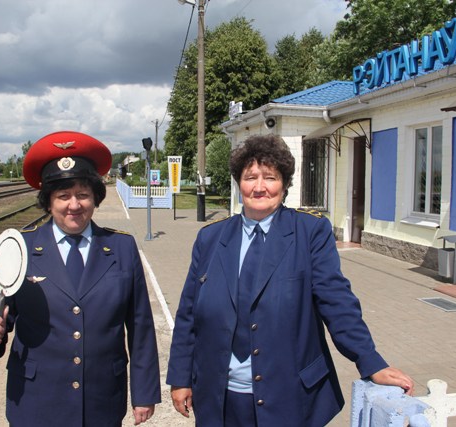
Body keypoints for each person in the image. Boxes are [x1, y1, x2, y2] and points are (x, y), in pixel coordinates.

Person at [166, 134, 414, 426]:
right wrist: (180, 378)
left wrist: (369, 360)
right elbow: (188, 314)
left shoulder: (310, 232)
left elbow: (336, 301)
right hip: (219, 396)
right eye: (250, 177)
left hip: (288, 395)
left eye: (270, 177)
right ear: (238, 183)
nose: (260, 187)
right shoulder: (210, 238)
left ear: (284, 185)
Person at [0, 131, 161, 427]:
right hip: (36, 399)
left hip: (102, 399)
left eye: (83, 195)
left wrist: (144, 392)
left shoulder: (121, 247)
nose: (74, 205)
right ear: (48, 201)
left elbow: (140, 326)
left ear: (95, 198)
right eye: (63, 196)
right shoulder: (20, 247)